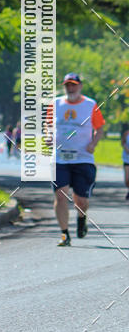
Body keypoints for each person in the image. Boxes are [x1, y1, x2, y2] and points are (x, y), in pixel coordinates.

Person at [47, 72, 105, 247]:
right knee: (60, 195)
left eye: (73, 85)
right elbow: (49, 125)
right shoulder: (55, 104)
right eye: (67, 85)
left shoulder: (90, 105)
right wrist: (49, 136)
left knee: (81, 200)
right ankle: (65, 234)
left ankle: (81, 218)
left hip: (83, 158)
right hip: (60, 158)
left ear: (80, 86)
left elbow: (100, 128)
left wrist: (93, 143)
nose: (70, 88)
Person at [121, 124, 129, 200]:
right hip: (127, 159)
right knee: (127, 180)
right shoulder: (126, 133)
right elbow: (122, 142)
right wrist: (126, 147)